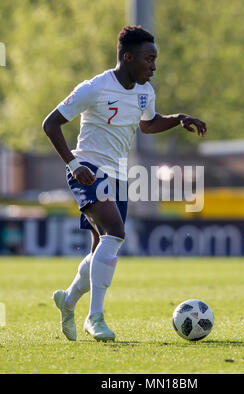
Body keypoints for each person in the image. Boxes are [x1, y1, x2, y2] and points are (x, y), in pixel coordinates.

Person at [42, 25, 207, 342]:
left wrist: (179, 118)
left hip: (118, 175)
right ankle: (95, 317)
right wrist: (74, 165)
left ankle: (68, 300)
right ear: (128, 57)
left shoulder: (146, 91)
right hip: (87, 168)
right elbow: (50, 124)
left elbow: (147, 124)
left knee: (99, 249)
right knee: (115, 233)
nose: (154, 66)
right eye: (150, 59)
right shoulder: (95, 87)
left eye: (155, 59)